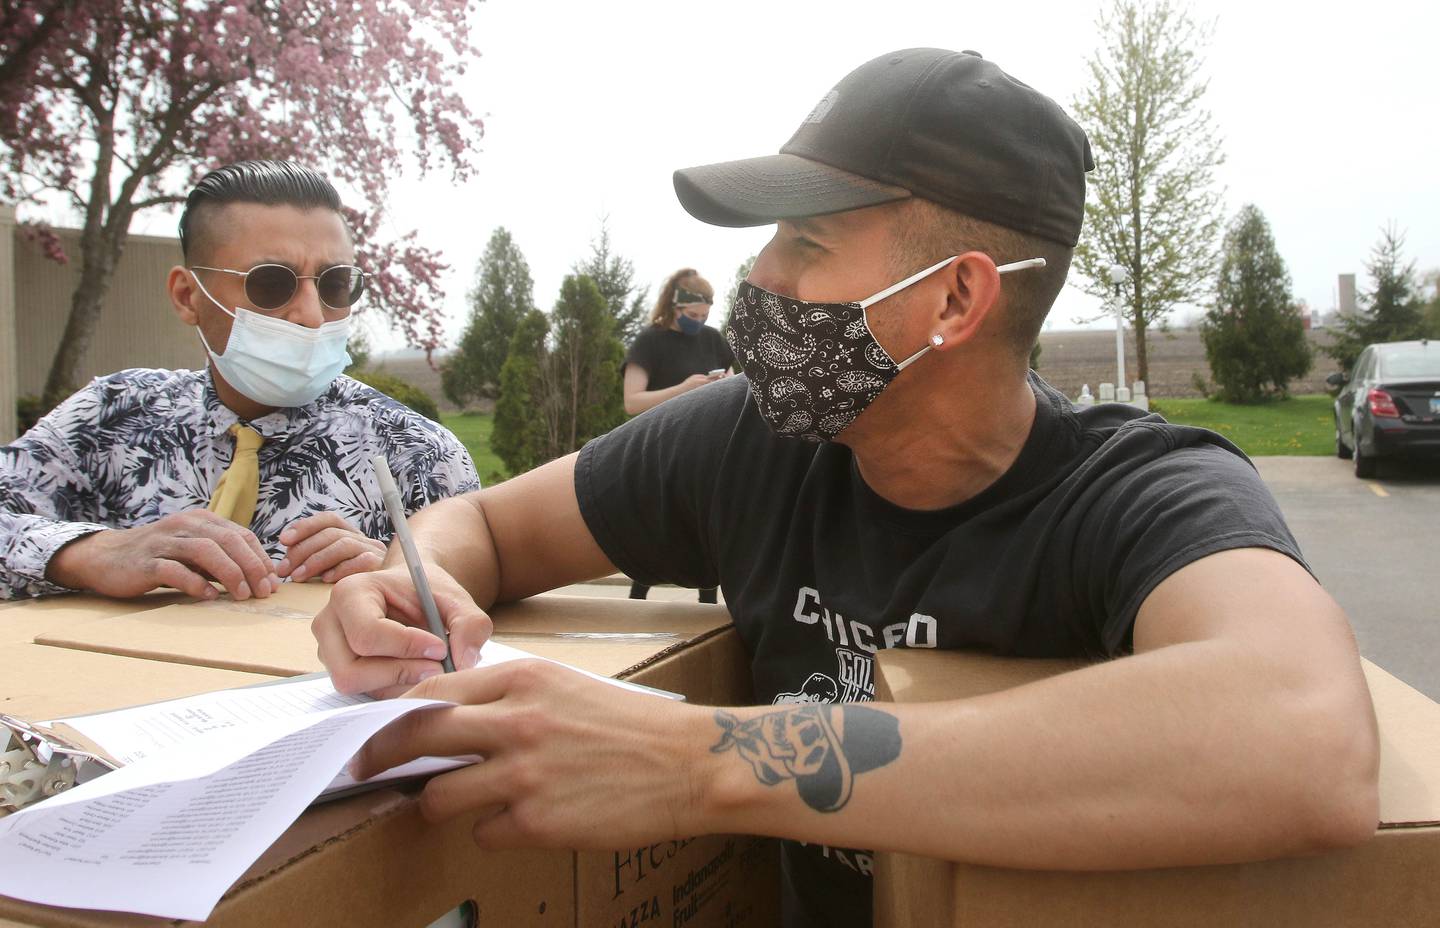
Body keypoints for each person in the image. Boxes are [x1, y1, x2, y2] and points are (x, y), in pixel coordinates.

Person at [314, 50, 1379, 928]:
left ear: (956, 297)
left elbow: (1305, 733)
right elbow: (487, 525)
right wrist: (415, 584)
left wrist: (699, 764)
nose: (759, 278)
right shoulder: (751, 438)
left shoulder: (1139, 488)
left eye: (806, 241)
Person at [0, 160, 479, 602]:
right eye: (271, 283)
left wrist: (409, 577)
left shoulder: (418, 453)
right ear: (188, 296)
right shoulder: (111, 415)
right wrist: (91, 553)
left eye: (335, 284)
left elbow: (488, 599)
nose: (312, 314)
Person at [621, 268, 735, 603]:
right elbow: (632, 402)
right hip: (658, 451)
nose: (698, 321)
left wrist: (719, 386)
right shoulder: (649, 342)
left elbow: (734, 382)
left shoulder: (713, 339)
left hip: (706, 449)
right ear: (676, 307)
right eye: (692, 315)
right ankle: (635, 605)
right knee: (657, 534)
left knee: (706, 534)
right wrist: (684, 390)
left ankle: (708, 615)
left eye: (704, 315)